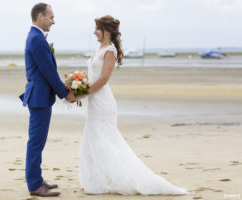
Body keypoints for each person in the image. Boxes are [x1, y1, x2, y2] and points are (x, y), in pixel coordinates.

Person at [76, 15, 188, 195]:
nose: (94, 32)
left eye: (98, 28)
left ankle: (116, 179)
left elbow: (104, 79)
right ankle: (98, 181)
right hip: (93, 101)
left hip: (102, 102)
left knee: (105, 140)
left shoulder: (109, 51)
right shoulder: (100, 48)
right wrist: (79, 86)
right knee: (94, 139)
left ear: (106, 30)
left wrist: (81, 94)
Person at [19, 2, 76, 197]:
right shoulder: (36, 39)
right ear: (41, 16)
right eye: (51, 17)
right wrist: (65, 93)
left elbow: (47, 70)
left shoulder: (36, 37)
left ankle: (37, 178)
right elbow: (48, 71)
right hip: (39, 98)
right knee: (36, 142)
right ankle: (34, 184)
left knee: (38, 141)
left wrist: (63, 89)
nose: (53, 21)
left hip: (41, 97)